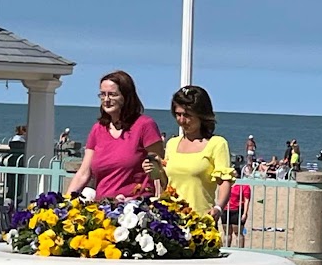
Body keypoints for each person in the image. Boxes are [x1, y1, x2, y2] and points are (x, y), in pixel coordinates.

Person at [66, 70, 166, 200]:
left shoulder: (145, 125)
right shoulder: (98, 129)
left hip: (136, 205)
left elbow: (160, 169)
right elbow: (84, 173)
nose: (106, 100)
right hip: (103, 206)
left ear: (126, 96)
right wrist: (65, 201)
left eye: (112, 95)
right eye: (103, 94)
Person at [164, 85, 234, 220]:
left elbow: (225, 181)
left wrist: (218, 207)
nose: (182, 120)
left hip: (201, 222)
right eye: (178, 114)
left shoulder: (217, 144)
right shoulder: (171, 144)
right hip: (172, 221)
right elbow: (166, 182)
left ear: (201, 115)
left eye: (187, 115)